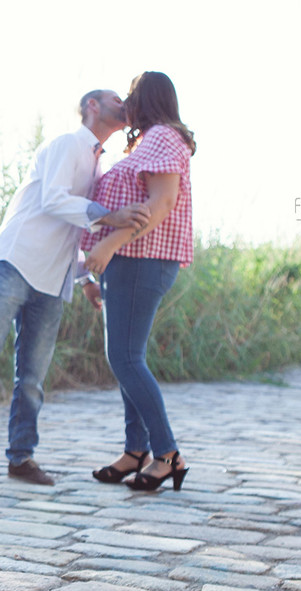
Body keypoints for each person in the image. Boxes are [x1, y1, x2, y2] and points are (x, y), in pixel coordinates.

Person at [0, 89, 150, 489]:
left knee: (33, 378)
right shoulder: (67, 143)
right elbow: (55, 200)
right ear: (92, 105)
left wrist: (85, 278)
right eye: (114, 97)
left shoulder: (98, 165)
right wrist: (112, 216)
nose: (124, 103)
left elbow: (69, 229)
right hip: (15, 263)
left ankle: (21, 458)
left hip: (53, 279)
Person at [82, 71, 196, 492]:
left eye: (131, 95)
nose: (126, 103)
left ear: (146, 98)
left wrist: (109, 244)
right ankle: (136, 451)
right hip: (129, 261)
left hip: (143, 258)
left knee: (126, 359)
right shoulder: (147, 140)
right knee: (127, 358)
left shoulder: (164, 136)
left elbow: (162, 202)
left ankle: (167, 454)